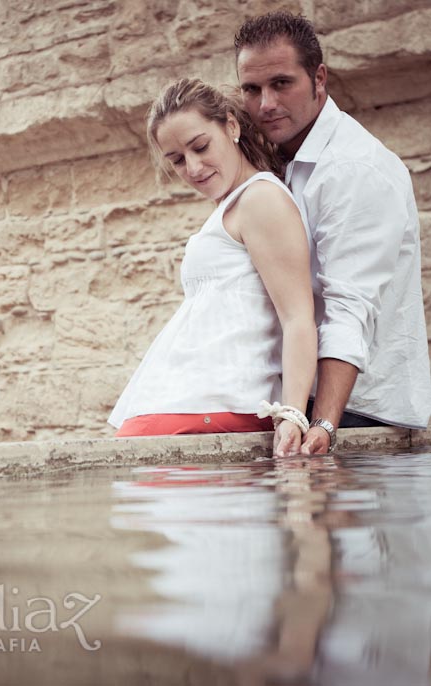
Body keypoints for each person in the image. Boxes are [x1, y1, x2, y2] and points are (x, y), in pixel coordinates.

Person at [235, 12, 431, 454]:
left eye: (282, 83)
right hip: (301, 403)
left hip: (358, 413)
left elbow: (348, 305)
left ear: (319, 78)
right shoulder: (281, 163)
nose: (265, 103)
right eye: (252, 89)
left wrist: (321, 422)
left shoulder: (353, 168)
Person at [107, 78, 317, 457]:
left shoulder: (261, 200)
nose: (193, 167)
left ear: (231, 127)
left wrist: (292, 413)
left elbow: (298, 316)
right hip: (193, 399)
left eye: (200, 146)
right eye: (176, 160)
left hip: (218, 401)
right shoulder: (233, 205)